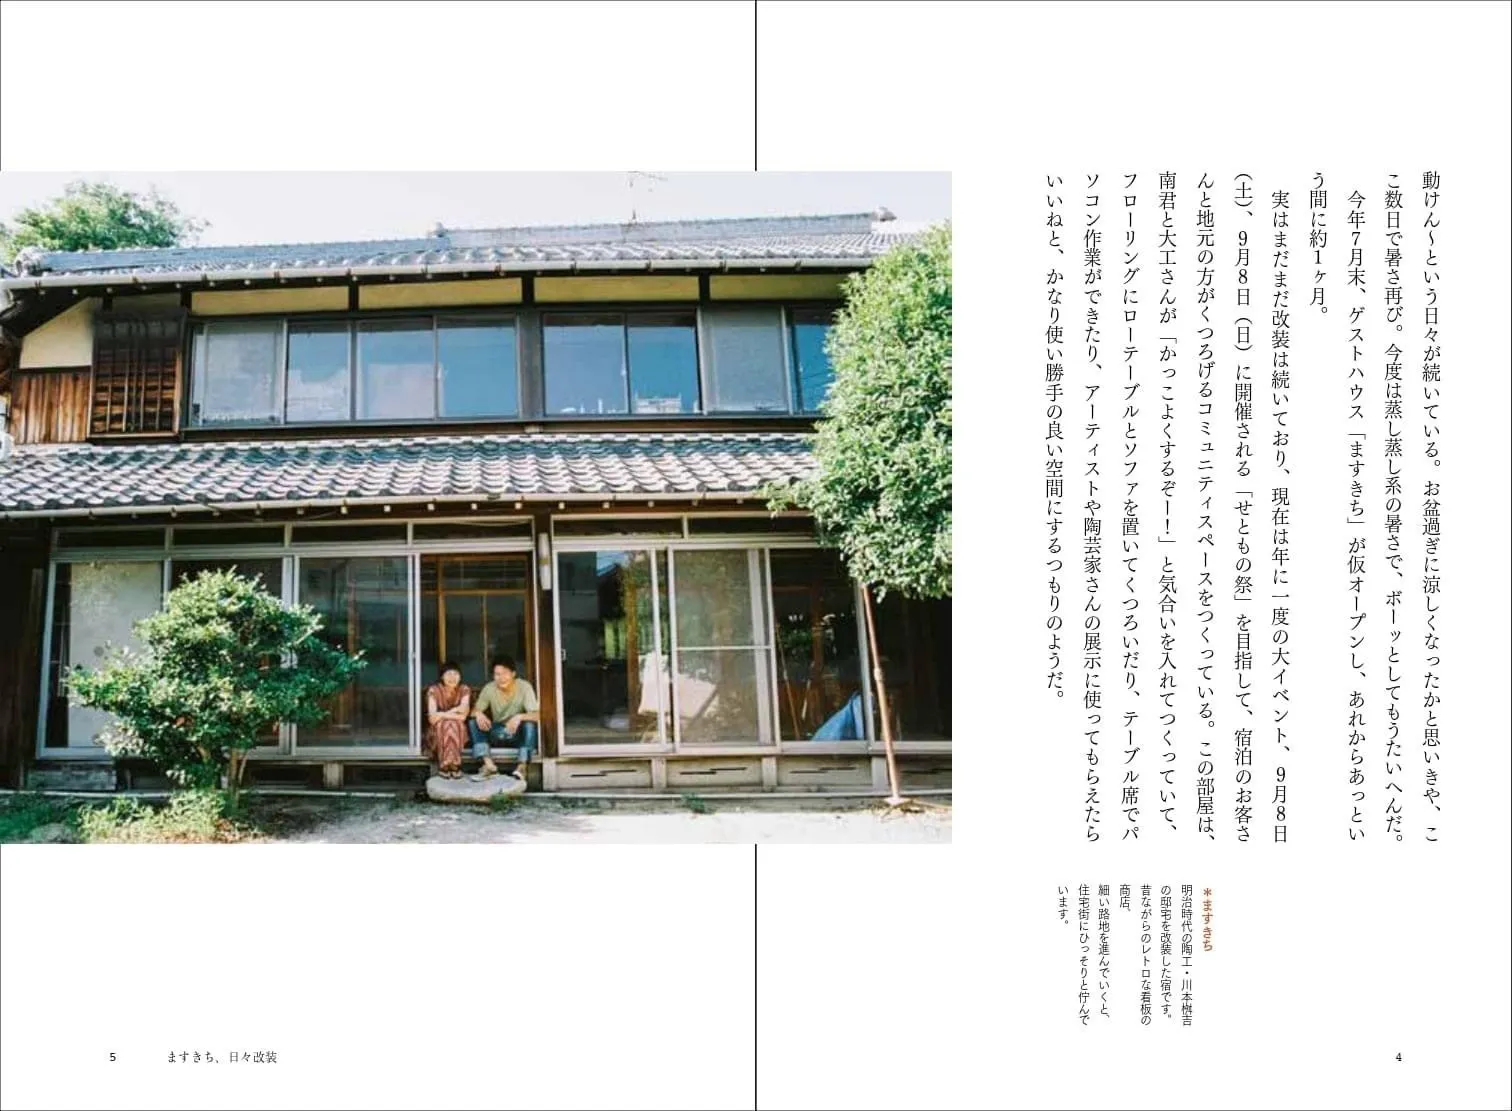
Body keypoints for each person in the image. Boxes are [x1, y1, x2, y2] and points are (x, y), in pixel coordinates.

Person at [468, 655, 540, 784]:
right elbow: (473, 711)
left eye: (505, 673)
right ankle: (489, 765)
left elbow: (537, 715)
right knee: (473, 722)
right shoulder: (489, 688)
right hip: (496, 732)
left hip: (516, 734)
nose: (501, 678)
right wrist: (478, 713)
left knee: (529, 724)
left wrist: (519, 716)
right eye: (497, 674)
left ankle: (522, 767)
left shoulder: (524, 687)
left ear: (513, 674)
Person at [424, 661, 472, 779]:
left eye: (455, 674)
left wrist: (441, 714)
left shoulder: (464, 689)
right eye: (448, 674)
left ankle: (445, 765)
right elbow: (432, 719)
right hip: (436, 733)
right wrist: (455, 711)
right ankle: (454, 765)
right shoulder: (434, 690)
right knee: (445, 725)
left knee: (453, 724)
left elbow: (463, 716)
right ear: (442, 676)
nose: (452, 678)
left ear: (460, 676)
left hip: (459, 731)